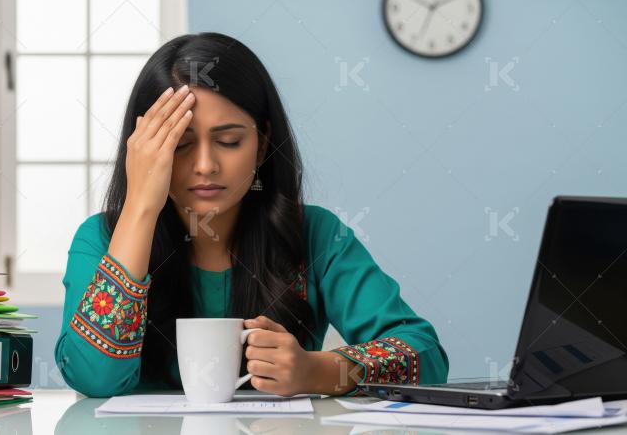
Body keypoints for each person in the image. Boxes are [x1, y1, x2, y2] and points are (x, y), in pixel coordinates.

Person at [54, 32, 448, 398]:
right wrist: (141, 205)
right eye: (181, 145)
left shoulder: (316, 235)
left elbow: (426, 357)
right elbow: (95, 379)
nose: (205, 165)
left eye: (229, 141)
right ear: (143, 149)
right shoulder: (102, 238)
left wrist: (318, 370)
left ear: (262, 146)